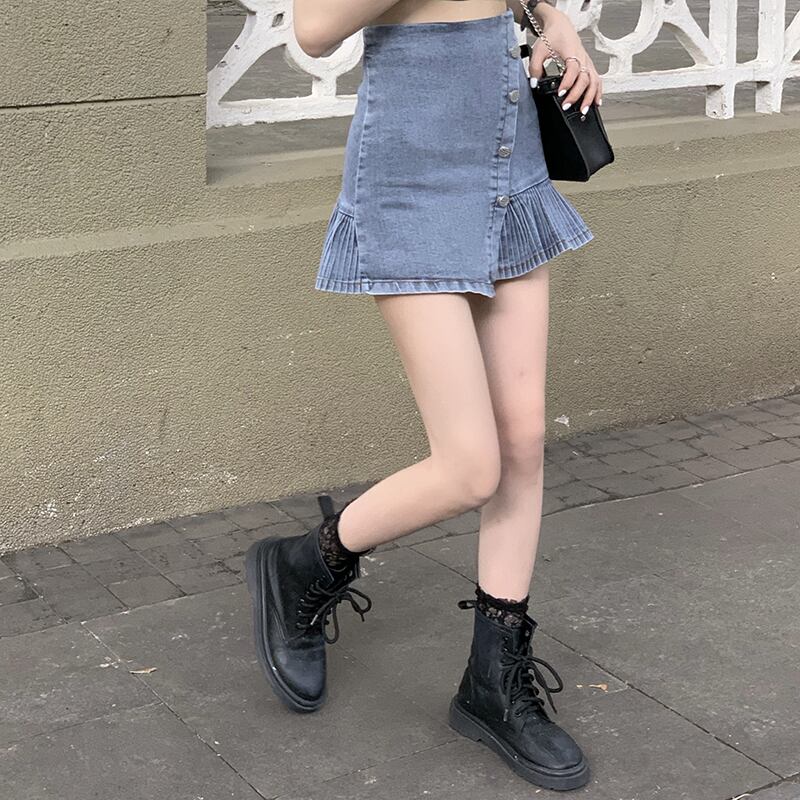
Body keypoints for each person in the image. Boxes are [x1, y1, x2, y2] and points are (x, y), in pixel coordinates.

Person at [246, 0, 602, 791]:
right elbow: (313, 28)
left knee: (521, 442)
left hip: (507, 158)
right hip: (410, 175)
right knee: (470, 466)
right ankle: (307, 564)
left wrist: (553, 19)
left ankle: (492, 682)